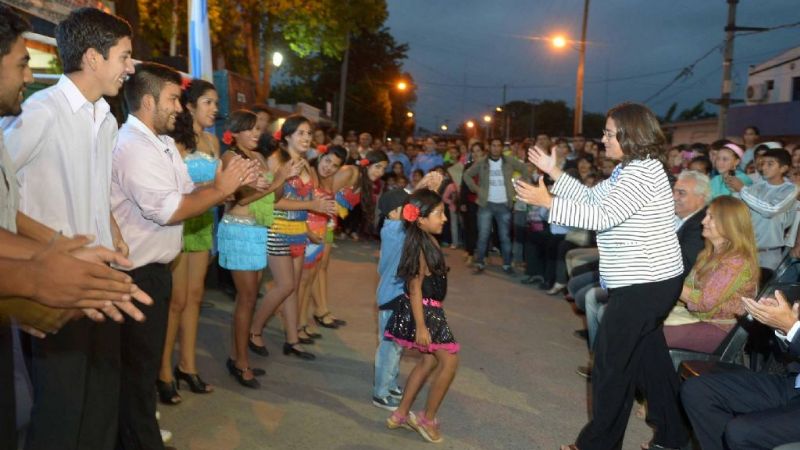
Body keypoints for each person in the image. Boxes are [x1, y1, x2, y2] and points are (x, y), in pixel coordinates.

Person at [2, 9, 141, 449]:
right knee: (60, 406)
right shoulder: (39, 112)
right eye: (124, 56)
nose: (130, 67)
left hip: (101, 280)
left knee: (101, 398)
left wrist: (113, 229)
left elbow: (95, 193)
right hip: (54, 283)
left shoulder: (108, 120)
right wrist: (54, 248)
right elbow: (5, 200)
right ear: (94, 58)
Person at [516, 102, 688, 450]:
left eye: (610, 133)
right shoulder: (631, 169)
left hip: (646, 284)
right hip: (649, 282)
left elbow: (602, 216)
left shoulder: (643, 172)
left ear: (630, 135)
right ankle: (674, 435)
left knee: (611, 367)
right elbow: (593, 198)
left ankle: (597, 445)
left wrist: (548, 201)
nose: (604, 139)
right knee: (649, 362)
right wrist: (556, 174)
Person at [111, 62, 259, 448]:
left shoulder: (159, 143)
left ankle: (141, 436)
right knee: (137, 368)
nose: (180, 107)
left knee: (139, 369)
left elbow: (186, 191)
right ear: (147, 100)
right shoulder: (132, 146)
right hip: (135, 273)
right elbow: (171, 208)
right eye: (174, 98)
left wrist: (223, 185)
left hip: (155, 269)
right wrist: (223, 188)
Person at [249, 115, 336, 361]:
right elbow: (274, 200)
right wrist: (313, 204)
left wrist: (309, 229)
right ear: (287, 136)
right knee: (285, 285)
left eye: (309, 133)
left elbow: (305, 202)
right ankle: (254, 330)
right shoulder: (277, 159)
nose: (307, 138)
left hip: (299, 231)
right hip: (278, 228)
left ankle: (292, 340)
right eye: (301, 133)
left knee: (293, 288)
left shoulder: (307, 164)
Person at [218, 111, 293, 389]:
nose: (255, 133)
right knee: (247, 298)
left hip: (257, 231)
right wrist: (277, 180)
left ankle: (237, 357)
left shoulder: (259, 157)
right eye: (249, 129)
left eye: (258, 129)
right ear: (234, 132)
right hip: (238, 230)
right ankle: (240, 363)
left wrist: (284, 179)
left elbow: (274, 197)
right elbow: (243, 196)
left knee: (248, 298)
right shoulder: (231, 158)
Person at [158, 78, 220, 403]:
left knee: (195, 297)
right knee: (177, 300)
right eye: (208, 102)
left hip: (203, 223)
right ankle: (163, 371)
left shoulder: (212, 141)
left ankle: (188, 365)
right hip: (181, 223)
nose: (215, 109)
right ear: (191, 105)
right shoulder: (175, 141)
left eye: (216, 103)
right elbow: (173, 188)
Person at [384, 189, 459, 444]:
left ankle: (401, 414)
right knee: (449, 362)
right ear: (421, 219)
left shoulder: (426, 238)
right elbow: (415, 288)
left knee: (428, 362)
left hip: (429, 309)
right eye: (439, 213)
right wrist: (421, 327)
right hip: (425, 312)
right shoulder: (419, 248)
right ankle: (427, 418)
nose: (444, 219)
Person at [681, 289, 800, 450]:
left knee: (740, 432)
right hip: (793, 384)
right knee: (697, 390)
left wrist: (791, 328)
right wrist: (782, 327)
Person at [664, 196, 758, 352]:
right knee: (644, 320)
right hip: (700, 319)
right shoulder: (708, 254)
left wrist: (666, 277)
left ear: (729, 225)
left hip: (720, 330)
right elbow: (686, 291)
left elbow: (702, 302)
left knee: (648, 333)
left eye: (711, 217)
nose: (703, 221)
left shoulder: (736, 261)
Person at [463, 138, 529, 274]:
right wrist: (476, 189)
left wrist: (520, 186)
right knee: (483, 235)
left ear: (502, 148)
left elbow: (524, 169)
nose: (496, 148)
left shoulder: (509, 160)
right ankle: (480, 262)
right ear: (490, 147)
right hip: (486, 204)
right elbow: (467, 175)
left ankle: (506, 264)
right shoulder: (482, 162)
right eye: (494, 145)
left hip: (504, 204)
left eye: (499, 146)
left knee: (505, 236)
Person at [735, 148, 798, 270]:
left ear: (783, 168)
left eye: (770, 164)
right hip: (747, 249)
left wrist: (742, 190)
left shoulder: (790, 189)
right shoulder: (755, 187)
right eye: (763, 163)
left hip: (770, 253)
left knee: (766, 287)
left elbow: (771, 210)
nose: (764, 167)